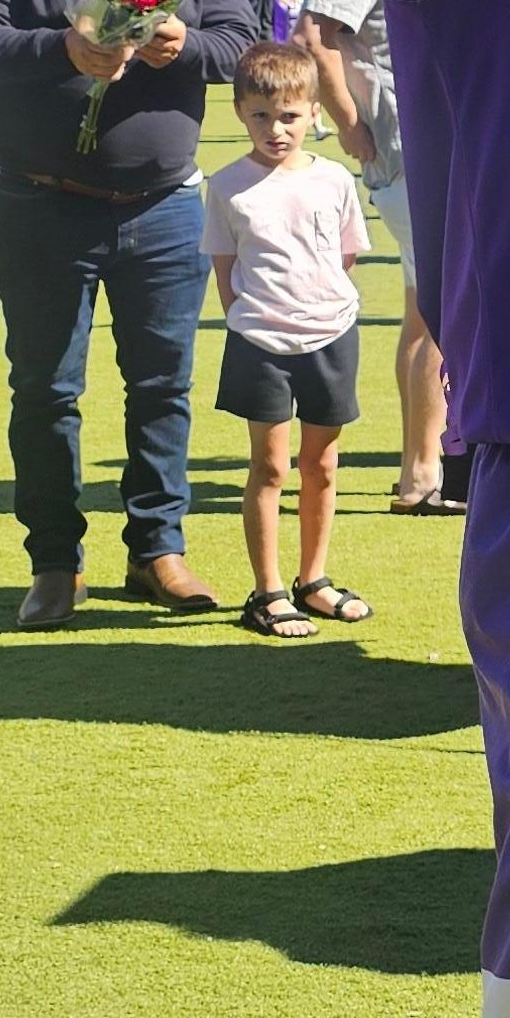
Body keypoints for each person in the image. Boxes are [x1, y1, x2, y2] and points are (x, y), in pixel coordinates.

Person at [0, 0, 260, 629]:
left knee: (163, 386)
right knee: (46, 389)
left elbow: (238, 43)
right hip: (42, 202)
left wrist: (180, 43)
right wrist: (65, 49)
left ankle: (159, 548)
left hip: (161, 203)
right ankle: (55, 562)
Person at [206, 39, 373, 638]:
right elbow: (225, 271)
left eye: (289, 116)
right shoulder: (227, 186)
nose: (276, 129)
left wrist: (316, 306)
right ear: (239, 111)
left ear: (313, 114)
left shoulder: (333, 180)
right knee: (271, 466)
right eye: (261, 116)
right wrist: (255, 320)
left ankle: (315, 580)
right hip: (260, 342)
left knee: (321, 464)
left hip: (331, 333)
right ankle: (268, 591)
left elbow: (346, 254)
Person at [304, 0, 457, 514]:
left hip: (419, 147)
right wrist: (348, 123)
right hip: (406, 150)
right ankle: (422, 475)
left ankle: (422, 466)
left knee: (425, 312)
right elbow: (313, 34)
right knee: (438, 313)